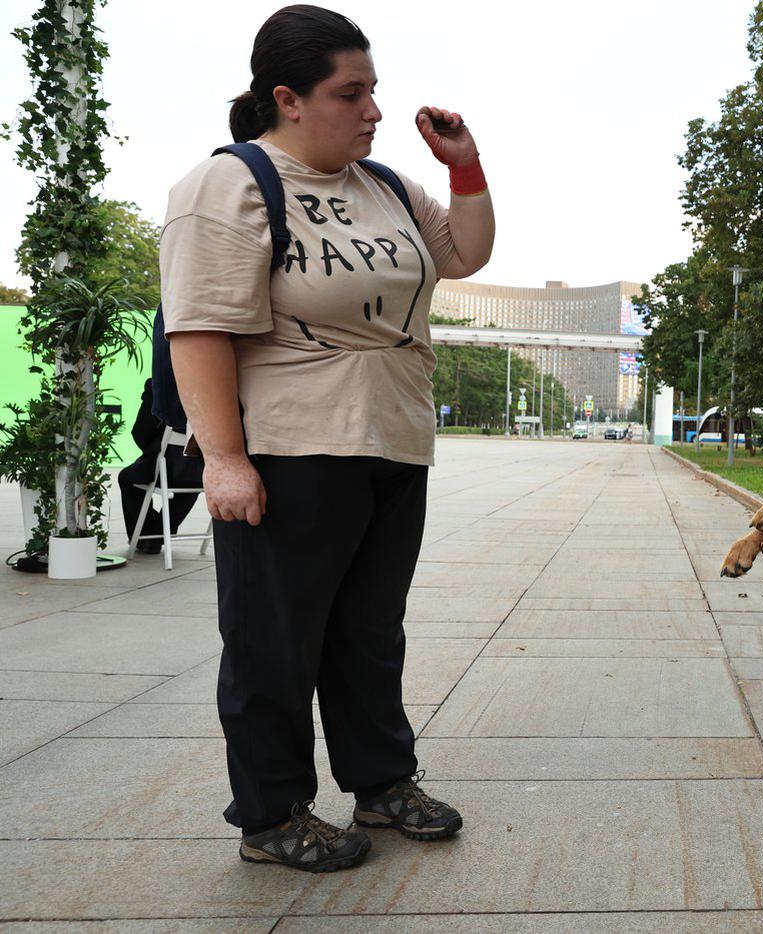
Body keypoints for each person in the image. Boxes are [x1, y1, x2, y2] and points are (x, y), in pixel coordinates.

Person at [160, 4, 494, 873]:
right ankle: (272, 814)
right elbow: (198, 327)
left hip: (393, 439)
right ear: (288, 98)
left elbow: (464, 255)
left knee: (371, 633)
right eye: (351, 94)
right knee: (275, 641)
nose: (373, 110)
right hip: (289, 448)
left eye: (374, 90)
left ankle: (381, 782)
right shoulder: (230, 184)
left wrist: (463, 167)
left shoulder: (383, 186)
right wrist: (225, 459)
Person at [117, 379, 204, 554]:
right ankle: (157, 533)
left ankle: (148, 537)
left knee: (127, 478)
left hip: (166, 466)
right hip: (203, 470)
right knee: (190, 478)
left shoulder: (160, 384)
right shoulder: (215, 385)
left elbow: (141, 432)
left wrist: (156, 447)